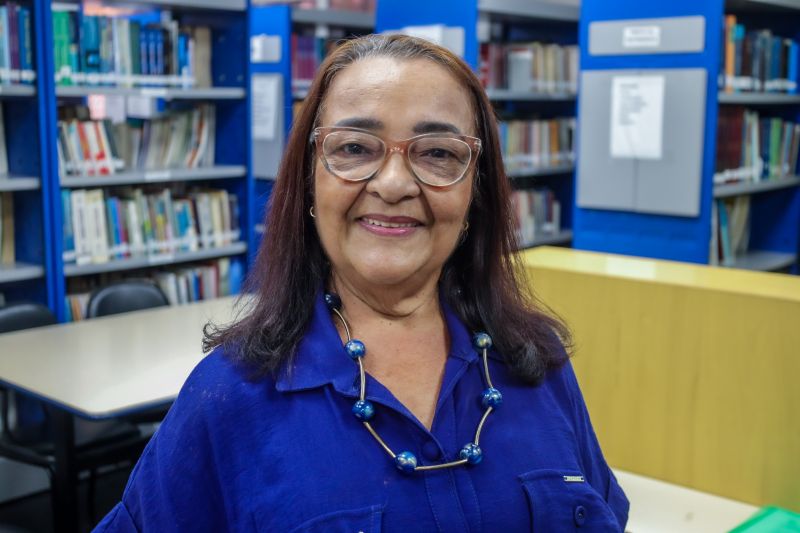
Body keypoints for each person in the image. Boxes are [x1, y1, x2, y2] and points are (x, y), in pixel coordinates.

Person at [95, 34, 628, 532]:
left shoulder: (538, 362)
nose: (393, 184)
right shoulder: (227, 397)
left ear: (475, 192)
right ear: (309, 181)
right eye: (354, 148)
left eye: (438, 153)